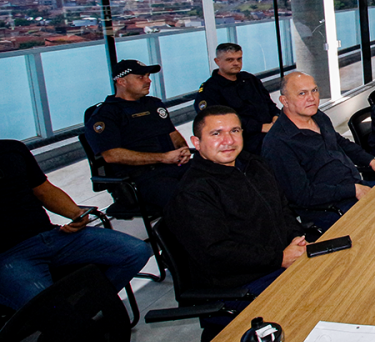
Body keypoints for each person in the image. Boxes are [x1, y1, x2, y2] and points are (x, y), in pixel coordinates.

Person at [166, 105, 305, 294]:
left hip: (280, 262)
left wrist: (296, 239)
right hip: (239, 286)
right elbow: (216, 253)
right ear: (196, 143)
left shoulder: (254, 165)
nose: (228, 140)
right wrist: (279, 258)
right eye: (216, 134)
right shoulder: (193, 192)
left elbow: (283, 210)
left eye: (235, 131)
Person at [0, 139, 147, 310]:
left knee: (135, 252)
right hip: (9, 254)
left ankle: (80, 314)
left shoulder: (12, 149)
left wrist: (75, 213)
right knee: (46, 305)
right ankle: (67, 321)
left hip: (51, 236)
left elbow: (44, 190)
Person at [261, 72, 375, 231]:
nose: (311, 98)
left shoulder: (319, 117)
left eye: (314, 91)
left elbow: (339, 141)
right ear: (284, 100)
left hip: (354, 186)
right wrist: (353, 189)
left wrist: (371, 161)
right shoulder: (278, 143)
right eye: (302, 93)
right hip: (328, 208)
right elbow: (302, 195)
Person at [84, 59, 191, 211]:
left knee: (224, 179)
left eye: (148, 76)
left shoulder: (154, 104)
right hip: (142, 178)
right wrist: (163, 157)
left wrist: (183, 149)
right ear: (122, 81)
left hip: (174, 167)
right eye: (140, 77)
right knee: (189, 200)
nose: (148, 81)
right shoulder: (106, 115)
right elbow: (112, 155)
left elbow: (172, 133)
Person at [193, 43, 280, 155]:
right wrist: (260, 127)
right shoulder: (210, 90)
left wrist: (276, 117)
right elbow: (217, 121)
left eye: (239, 59)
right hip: (242, 141)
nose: (236, 63)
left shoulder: (250, 79)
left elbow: (269, 104)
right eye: (230, 60)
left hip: (271, 131)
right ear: (217, 61)